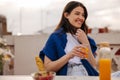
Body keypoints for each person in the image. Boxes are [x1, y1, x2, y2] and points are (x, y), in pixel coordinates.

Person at [40, 1, 98, 76]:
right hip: (72, 72)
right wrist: (69, 55)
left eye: (83, 15)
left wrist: (86, 43)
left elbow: (93, 65)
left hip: (88, 73)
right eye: (77, 14)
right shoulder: (55, 37)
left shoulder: (86, 38)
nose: (81, 18)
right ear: (66, 15)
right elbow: (48, 68)